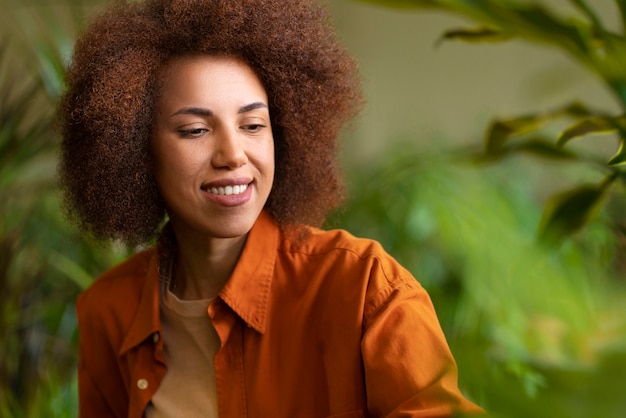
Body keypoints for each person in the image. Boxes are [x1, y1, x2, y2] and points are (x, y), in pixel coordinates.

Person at [58, 0, 484, 416]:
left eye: (253, 125)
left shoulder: (365, 290)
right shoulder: (108, 312)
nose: (233, 154)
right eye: (195, 130)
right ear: (135, 150)